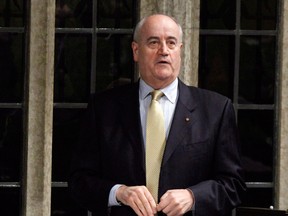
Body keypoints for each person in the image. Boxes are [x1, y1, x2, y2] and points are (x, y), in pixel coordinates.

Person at [69, 14, 246, 216]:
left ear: (180, 51)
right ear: (136, 51)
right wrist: (119, 192)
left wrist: (193, 196)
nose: (164, 51)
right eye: (153, 42)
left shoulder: (216, 109)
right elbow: (79, 181)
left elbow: (233, 185)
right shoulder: (103, 108)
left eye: (171, 43)